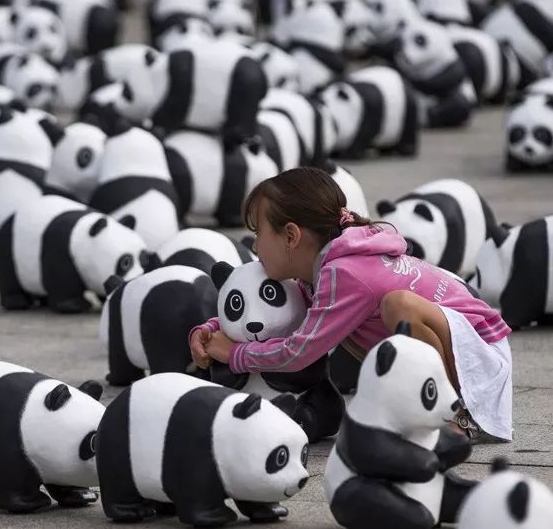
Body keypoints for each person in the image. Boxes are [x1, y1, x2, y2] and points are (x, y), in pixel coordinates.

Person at [189, 167, 513, 443]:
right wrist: (216, 328)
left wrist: (234, 354)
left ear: (291, 236)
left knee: (399, 305)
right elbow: (278, 313)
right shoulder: (323, 266)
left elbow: (299, 352)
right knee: (393, 308)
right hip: (464, 344)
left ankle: (454, 416)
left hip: (477, 359)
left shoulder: (344, 273)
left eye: (259, 233)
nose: (255, 245)